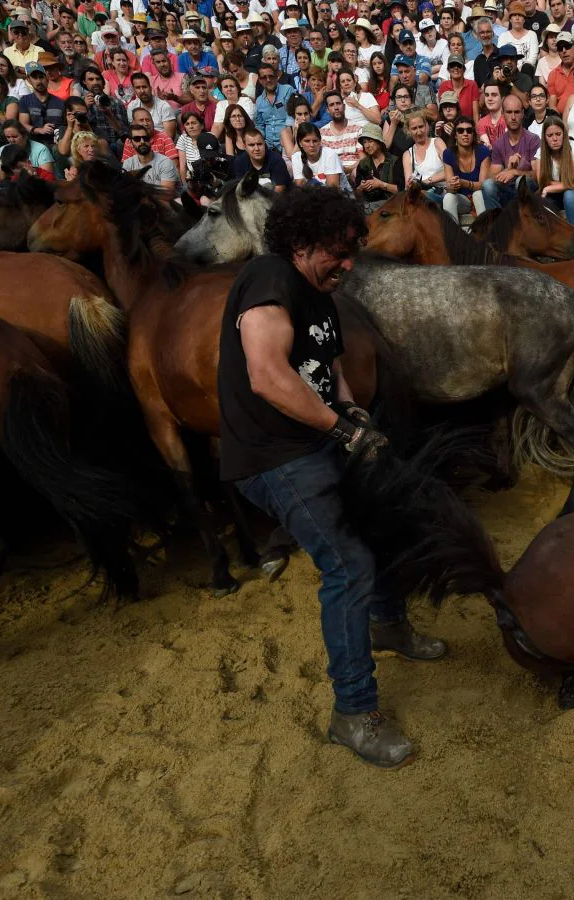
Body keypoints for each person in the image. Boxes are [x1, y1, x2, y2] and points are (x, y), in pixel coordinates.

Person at [219, 187, 445, 769]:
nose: (347, 266)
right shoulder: (269, 277)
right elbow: (268, 376)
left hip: (317, 436)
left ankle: (388, 626)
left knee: (382, 518)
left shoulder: (321, 294)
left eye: (352, 254)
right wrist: (342, 433)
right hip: (272, 454)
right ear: (299, 244)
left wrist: (353, 415)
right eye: (336, 254)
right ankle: (353, 714)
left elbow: (328, 367)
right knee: (347, 564)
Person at [481, 91, 540, 208]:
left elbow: (538, 176)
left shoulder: (533, 139)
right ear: (503, 114)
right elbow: (490, 178)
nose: (513, 117)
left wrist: (515, 172)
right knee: (487, 185)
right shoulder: (498, 143)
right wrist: (508, 168)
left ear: (523, 113)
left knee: (521, 182)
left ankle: (520, 220)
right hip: (507, 191)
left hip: (528, 193)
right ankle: (497, 223)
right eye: (509, 112)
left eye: (517, 112)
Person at [533, 114, 574, 223]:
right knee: (542, 201)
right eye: (550, 135)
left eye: (558, 134)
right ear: (545, 137)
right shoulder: (541, 152)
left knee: (569, 195)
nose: (555, 139)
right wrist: (564, 184)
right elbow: (541, 181)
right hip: (556, 195)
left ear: (564, 134)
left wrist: (549, 188)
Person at [440, 114, 490, 218]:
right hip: (462, 200)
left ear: (473, 134)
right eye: (460, 131)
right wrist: (452, 185)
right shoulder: (448, 154)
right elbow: (450, 188)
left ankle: (484, 230)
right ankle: (452, 233)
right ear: (455, 135)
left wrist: (464, 183)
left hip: (481, 198)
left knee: (478, 194)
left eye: (469, 130)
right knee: (448, 197)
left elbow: (483, 185)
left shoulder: (483, 151)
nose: (465, 134)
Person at [353, 120, 403, 211]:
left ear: (379, 142)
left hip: (392, 206)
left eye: (370, 141)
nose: (367, 145)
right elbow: (357, 193)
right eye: (364, 142)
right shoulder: (363, 164)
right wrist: (361, 187)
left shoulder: (395, 161)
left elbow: (401, 191)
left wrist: (380, 184)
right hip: (368, 205)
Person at [17, 60, 68, 147]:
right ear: (29, 80)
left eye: (41, 77)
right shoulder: (25, 100)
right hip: (34, 144)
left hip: (56, 145)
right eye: (35, 78)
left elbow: (66, 126)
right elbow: (23, 124)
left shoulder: (60, 102)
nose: (39, 81)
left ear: (47, 78)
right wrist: (38, 130)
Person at [232, 124, 292, 190]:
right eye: (251, 145)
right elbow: (241, 189)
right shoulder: (240, 162)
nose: (257, 148)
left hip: (275, 198)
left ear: (264, 143)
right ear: (245, 147)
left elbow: (280, 190)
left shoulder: (276, 160)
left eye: (259, 144)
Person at [123, 120, 179, 187]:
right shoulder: (128, 164)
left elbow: (166, 194)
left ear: (150, 140)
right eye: (137, 139)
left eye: (145, 138)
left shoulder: (165, 162)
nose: (142, 142)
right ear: (130, 143)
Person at [321, 90, 364, 174]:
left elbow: (363, 157)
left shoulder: (357, 129)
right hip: (332, 172)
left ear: (344, 106)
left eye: (338, 103)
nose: (336, 107)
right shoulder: (322, 133)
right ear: (327, 110)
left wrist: (349, 169)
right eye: (332, 105)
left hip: (354, 170)